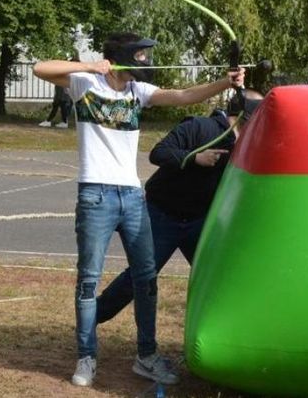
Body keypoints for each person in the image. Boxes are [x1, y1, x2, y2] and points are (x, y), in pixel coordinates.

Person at [33, 33, 243, 389]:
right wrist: (91, 66)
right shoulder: (85, 83)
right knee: (88, 279)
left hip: (132, 197)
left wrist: (226, 82)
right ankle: (87, 357)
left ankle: (146, 356)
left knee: (146, 278)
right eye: (141, 55)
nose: (146, 61)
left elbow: (182, 95)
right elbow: (40, 68)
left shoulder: (138, 92)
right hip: (95, 194)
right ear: (122, 56)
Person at [93, 88, 264, 328]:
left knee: (216, 276)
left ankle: (224, 332)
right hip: (162, 215)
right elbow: (158, 153)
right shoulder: (199, 127)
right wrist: (195, 157)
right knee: (141, 276)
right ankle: (91, 318)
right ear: (247, 115)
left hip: (199, 221)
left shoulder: (245, 145)